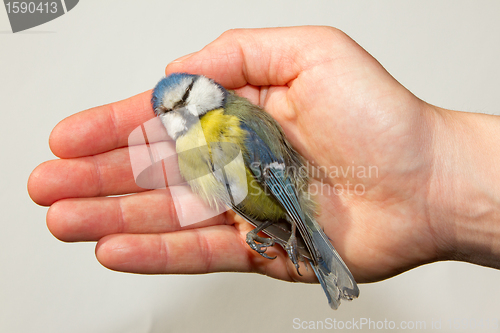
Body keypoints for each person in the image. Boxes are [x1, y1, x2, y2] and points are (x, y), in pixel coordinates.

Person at [28, 26, 500, 285]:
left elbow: (277, 184)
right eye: (172, 114)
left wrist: (302, 231)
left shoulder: (236, 121)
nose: (185, 114)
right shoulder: (188, 146)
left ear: (208, 89)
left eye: (189, 97)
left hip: (286, 201)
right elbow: (230, 194)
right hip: (269, 214)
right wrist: (269, 230)